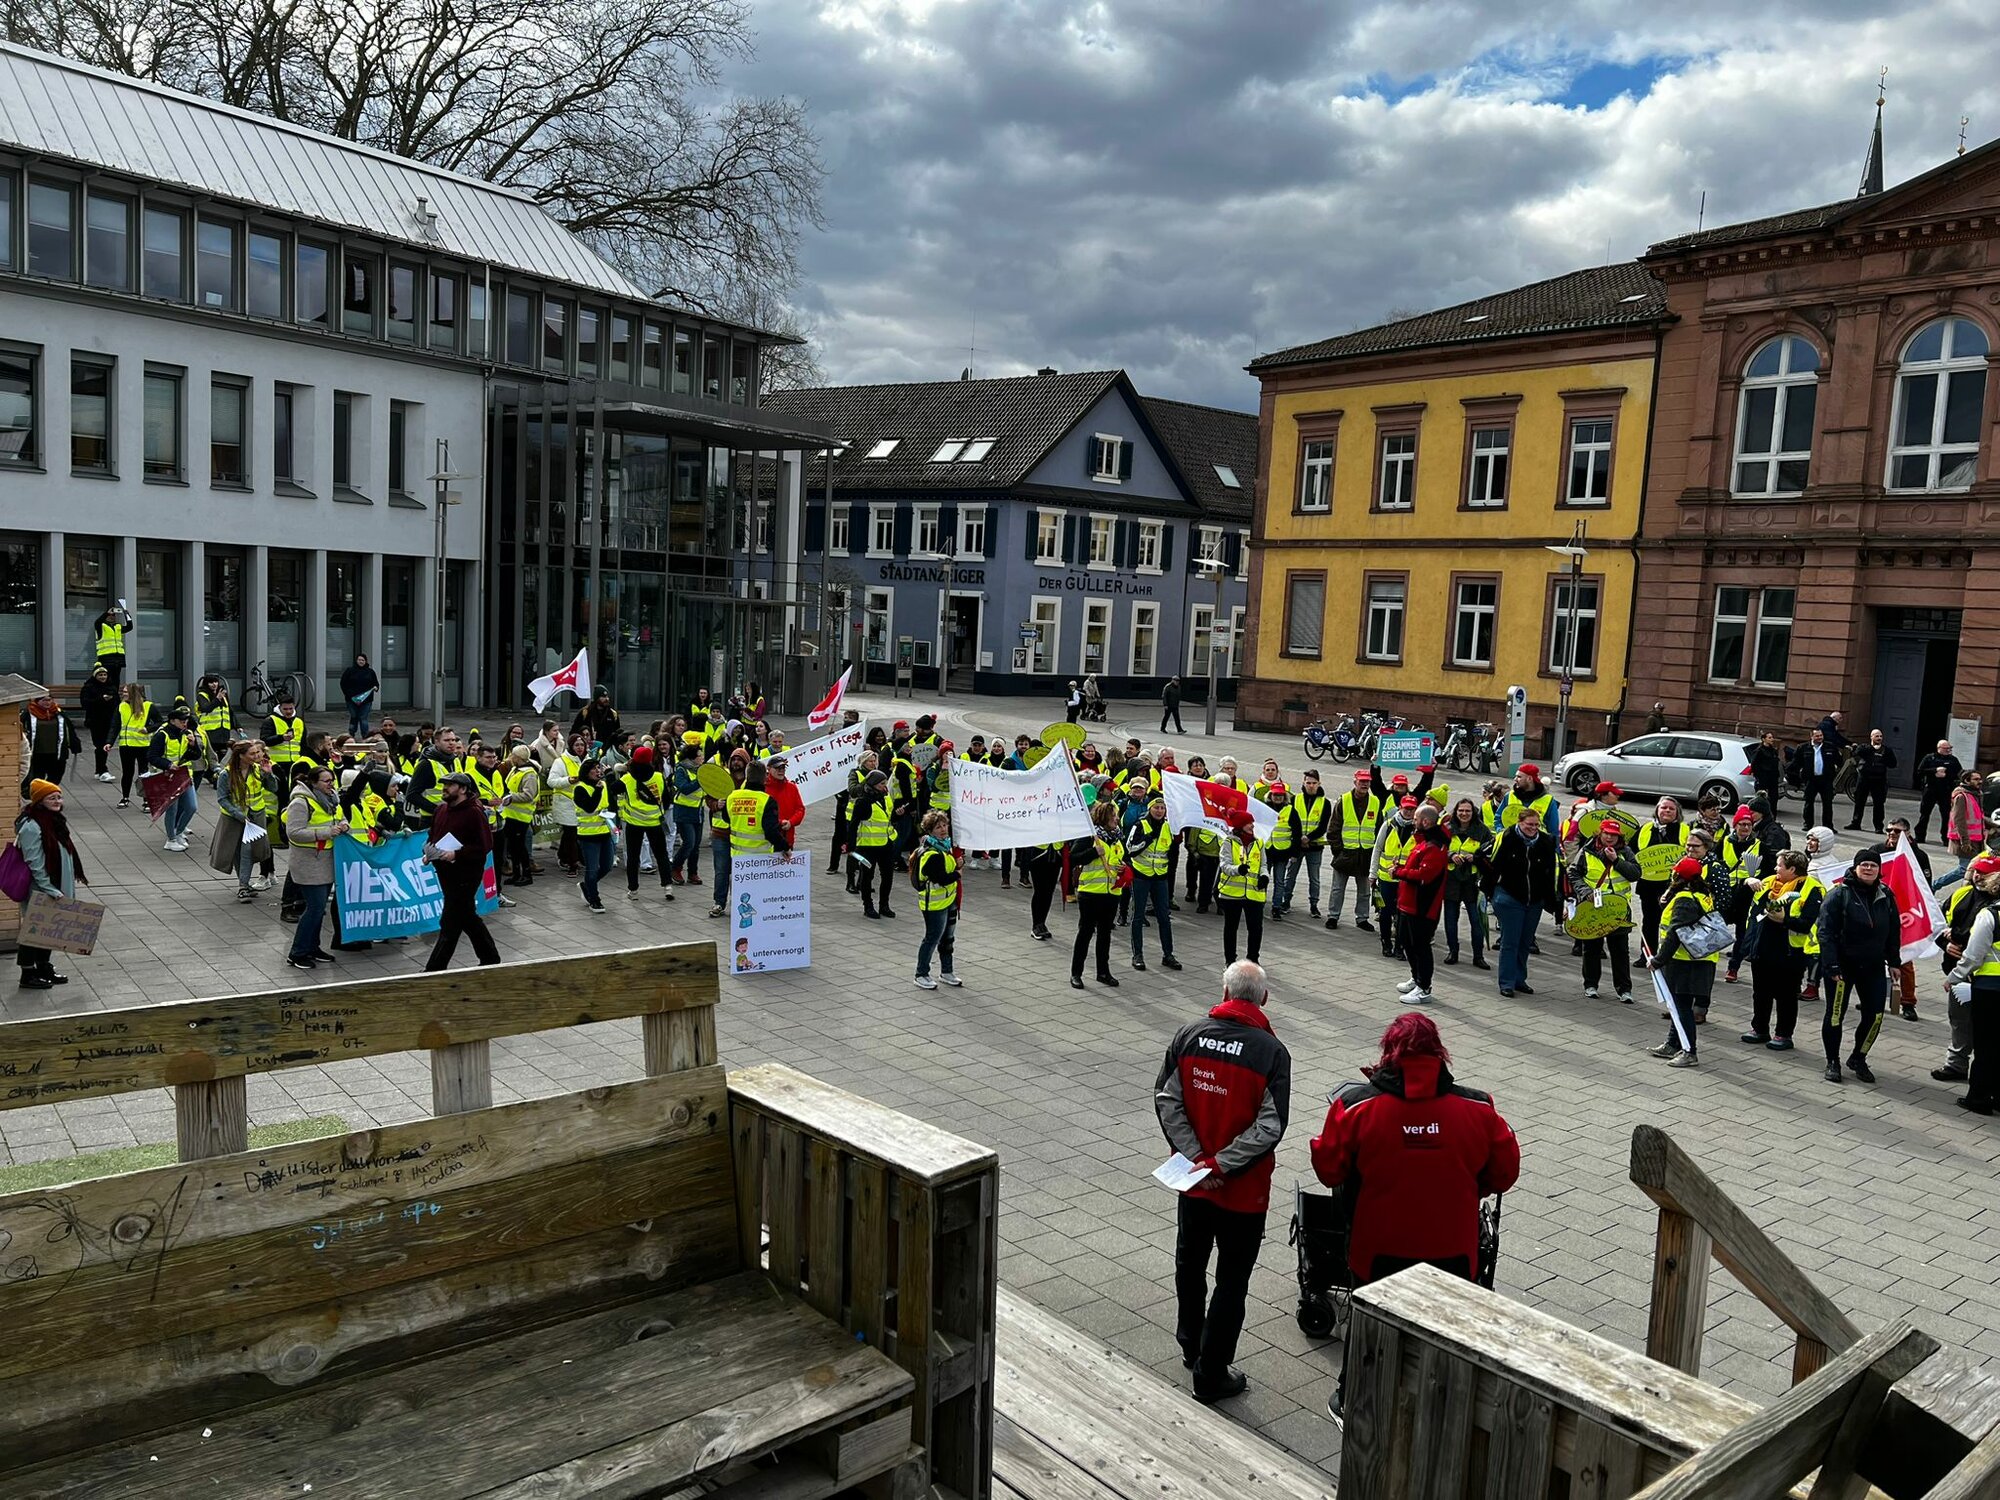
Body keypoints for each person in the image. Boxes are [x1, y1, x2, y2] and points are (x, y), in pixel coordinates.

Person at [1310, 1012, 1519, 1421]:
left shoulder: (1356, 1106)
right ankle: (1441, 1408)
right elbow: (1505, 1172)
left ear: (1388, 1052)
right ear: (1439, 1053)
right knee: (1445, 1329)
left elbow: (1329, 1169)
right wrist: (1469, 1186)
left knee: (1370, 1325)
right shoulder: (1478, 1107)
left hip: (1377, 1248)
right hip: (1453, 1249)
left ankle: (1354, 1401)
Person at [1151, 960, 1293, 1408]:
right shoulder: (1272, 1052)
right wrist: (1221, 1166)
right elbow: (1270, 1127)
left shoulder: (1188, 1035)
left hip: (1194, 1185)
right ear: (1263, 998)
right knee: (1232, 1280)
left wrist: (1198, 1161)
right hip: (1243, 1194)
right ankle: (1211, 1373)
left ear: (1225, 992)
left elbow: (1167, 1101)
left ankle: (1191, 1345)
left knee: (1189, 1264)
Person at [1816, 848, 1900, 1085]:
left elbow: (1894, 930)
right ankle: (1832, 1061)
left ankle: (1858, 1058)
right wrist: (1832, 965)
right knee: (1835, 1015)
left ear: (1879, 870)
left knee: (1875, 1016)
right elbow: (1825, 933)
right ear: (1855, 868)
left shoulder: (1886, 895)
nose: (1868, 869)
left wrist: (1895, 962)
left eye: (1873, 865)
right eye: (1864, 865)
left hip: (1873, 967)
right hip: (1841, 969)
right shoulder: (1838, 894)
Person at [1743, 850, 1822, 1050]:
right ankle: (1759, 1029)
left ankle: (1784, 1035)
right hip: (1762, 948)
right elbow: (1749, 906)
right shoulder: (1769, 882)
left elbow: (1807, 923)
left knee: (1786, 996)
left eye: (1779, 865)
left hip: (1790, 953)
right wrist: (1747, 882)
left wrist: (1784, 920)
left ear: (1792, 869)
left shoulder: (1812, 889)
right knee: (1760, 993)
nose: (1775, 868)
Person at [13, 781, 87, 990]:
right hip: (41, 887)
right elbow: (34, 862)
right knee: (34, 929)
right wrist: (49, 888)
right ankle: (27, 973)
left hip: (56, 884)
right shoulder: (32, 825)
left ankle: (44, 967)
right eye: (51, 798)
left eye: (59, 797)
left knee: (48, 928)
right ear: (40, 801)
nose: (57, 801)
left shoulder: (54, 821)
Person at [423, 772, 502, 969]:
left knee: (450, 921)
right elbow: (433, 835)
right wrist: (428, 853)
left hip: (466, 874)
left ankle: (434, 969)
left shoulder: (474, 812)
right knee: (467, 916)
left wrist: (456, 854)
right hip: (445, 872)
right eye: (444, 784)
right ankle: (490, 957)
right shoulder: (441, 810)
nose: (444, 788)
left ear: (463, 789)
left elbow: (485, 845)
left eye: (450, 785)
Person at [1645, 858, 1717, 1068]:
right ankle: (1672, 1044)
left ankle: (1689, 1051)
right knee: (1678, 1005)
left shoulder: (1685, 899)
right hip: (1698, 959)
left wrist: (1658, 960)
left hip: (1686, 962)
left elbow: (1675, 933)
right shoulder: (1701, 894)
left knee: (1682, 1007)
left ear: (1678, 876)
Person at [1485, 806, 1557, 998]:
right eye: (1528, 825)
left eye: (1536, 825)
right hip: (1509, 898)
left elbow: (1551, 873)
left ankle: (1519, 980)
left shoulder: (1546, 841)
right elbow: (1485, 860)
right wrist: (1491, 890)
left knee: (1525, 941)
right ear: (1519, 822)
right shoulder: (1507, 838)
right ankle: (1506, 982)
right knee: (1510, 942)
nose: (1533, 828)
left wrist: (1554, 903)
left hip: (1534, 901)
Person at [282, 763, 347, 970]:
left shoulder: (332, 799)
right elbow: (294, 832)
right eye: (326, 781)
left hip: (325, 861)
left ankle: (313, 947)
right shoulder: (300, 803)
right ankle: (297, 953)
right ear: (313, 783)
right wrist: (327, 832)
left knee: (318, 910)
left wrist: (344, 824)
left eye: (332, 781)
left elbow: (340, 817)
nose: (331, 785)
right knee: (315, 908)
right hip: (308, 863)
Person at [1570, 822, 1639, 1003]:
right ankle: (1591, 985)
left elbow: (1635, 874)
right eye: (1606, 833)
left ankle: (1624, 989)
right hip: (1594, 909)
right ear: (1600, 834)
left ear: (1619, 837)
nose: (1610, 837)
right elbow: (1573, 873)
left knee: (1620, 951)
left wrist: (1616, 861)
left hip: (1619, 911)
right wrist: (1585, 892)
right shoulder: (1587, 851)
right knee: (1591, 949)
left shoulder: (1626, 851)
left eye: (1614, 835)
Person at [1392, 803, 1450, 1005]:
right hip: (1408, 904)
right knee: (1406, 942)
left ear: (1425, 822)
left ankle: (1424, 987)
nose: (1413, 822)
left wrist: (1398, 872)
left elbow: (1424, 876)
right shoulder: (1424, 841)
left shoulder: (1435, 847)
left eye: (1416, 819)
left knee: (1420, 946)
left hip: (1422, 907)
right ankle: (1416, 977)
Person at [1069, 800, 1128, 988]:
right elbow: (1073, 858)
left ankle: (1103, 972)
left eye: (1116, 815)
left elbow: (1122, 859)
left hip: (1112, 893)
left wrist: (1124, 867)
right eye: (1113, 816)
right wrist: (1094, 852)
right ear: (1103, 817)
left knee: (1105, 934)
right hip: (1090, 893)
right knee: (1085, 933)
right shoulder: (1090, 836)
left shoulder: (1118, 837)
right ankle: (1076, 973)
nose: (1116, 819)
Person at [1123, 793, 1182, 972]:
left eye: (1162, 808)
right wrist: (1147, 839)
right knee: (1138, 916)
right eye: (1156, 807)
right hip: (1141, 875)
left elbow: (1172, 852)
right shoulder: (1140, 825)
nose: (1159, 811)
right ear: (1150, 809)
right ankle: (1137, 955)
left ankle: (1168, 955)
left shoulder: (1168, 827)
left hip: (1160, 878)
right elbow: (1130, 849)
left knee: (1164, 917)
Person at [216, 740, 279, 902]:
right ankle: (243, 885)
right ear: (241, 756)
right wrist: (237, 813)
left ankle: (243, 885)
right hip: (234, 818)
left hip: (256, 816)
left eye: (258, 752)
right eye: (252, 753)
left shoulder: (258, 769)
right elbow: (222, 798)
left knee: (248, 850)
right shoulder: (226, 774)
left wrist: (268, 774)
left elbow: (273, 788)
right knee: (239, 851)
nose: (257, 756)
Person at [911, 810, 963, 991]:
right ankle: (921, 974)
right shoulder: (931, 854)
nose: (943, 829)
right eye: (938, 827)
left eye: (944, 825)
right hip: (934, 904)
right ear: (930, 831)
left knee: (948, 939)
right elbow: (941, 878)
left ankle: (947, 972)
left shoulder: (945, 847)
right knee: (932, 938)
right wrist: (957, 873)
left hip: (949, 900)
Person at [1325, 768, 1380, 932]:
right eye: (1361, 781)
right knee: (1337, 889)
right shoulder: (1344, 800)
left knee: (1364, 891)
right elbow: (1333, 828)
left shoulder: (1375, 802)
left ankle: (1362, 918)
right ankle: (1333, 916)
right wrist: (1338, 851)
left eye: (1367, 782)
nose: (1364, 784)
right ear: (1355, 782)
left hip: (1365, 854)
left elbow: (1378, 829)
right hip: (1345, 853)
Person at [618, 745, 674, 901]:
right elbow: (667, 799)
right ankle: (667, 887)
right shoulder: (658, 777)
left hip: (634, 823)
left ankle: (633, 890)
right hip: (654, 823)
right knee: (661, 855)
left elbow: (613, 789)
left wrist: (612, 773)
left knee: (633, 857)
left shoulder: (627, 779)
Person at [1440, 797, 1491, 969]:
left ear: (1473, 812)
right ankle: (1452, 952)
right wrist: (1450, 855)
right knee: (1450, 920)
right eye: (1461, 810)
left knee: (1477, 921)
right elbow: (1437, 849)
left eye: (1467, 811)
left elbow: (1490, 853)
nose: (1464, 814)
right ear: (1455, 812)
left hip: (1472, 883)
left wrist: (1475, 858)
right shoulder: (1447, 829)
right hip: (1451, 881)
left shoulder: (1482, 830)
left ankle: (1478, 956)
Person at [147, 704, 205, 852]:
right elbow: (152, 756)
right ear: (172, 721)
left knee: (191, 807)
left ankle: (178, 832)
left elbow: (196, 756)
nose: (185, 723)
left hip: (184, 776)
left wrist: (193, 745)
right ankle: (171, 839)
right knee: (172, 809)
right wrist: (168, 765)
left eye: (186, 721)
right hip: (168, 777)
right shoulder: (162, 735)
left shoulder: (187, 733)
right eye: (181, 721)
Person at [1631, 796, 1688, 947]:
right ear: (1657, 810)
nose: (1667, 810)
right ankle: (1647, 955)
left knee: (1672, 922)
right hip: (1648, 885)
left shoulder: (1685, 830)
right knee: (1649, 921)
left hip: (1674, 886)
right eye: (1664, 807)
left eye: (1671, 808)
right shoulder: (1645, 829)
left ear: (1677, 812)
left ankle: (1668, 955)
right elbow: (1632, 852)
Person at [1215, 812, 1268, 967]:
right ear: (1240, 825)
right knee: (1231, 929)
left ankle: (1253, 959)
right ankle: (1230, 961)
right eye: (1248, 823)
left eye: (1252, 823)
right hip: (1232, 894)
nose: (1252, 826)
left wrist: (1265, 876)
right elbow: (1224, 865)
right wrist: (1238, 869)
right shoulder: (1228, 842)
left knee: (1256, 929)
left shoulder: (1258, 843)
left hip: (1254, 893)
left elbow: (1263, 865)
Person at [571, 759, 616, 913]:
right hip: (588, 836)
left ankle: (587, 886)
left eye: (599, 768)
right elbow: (589, 807)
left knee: (607, 866)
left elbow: (610, 803)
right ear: (586, 772)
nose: (598, 771)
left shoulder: (602, 785)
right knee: (592, 869)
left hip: (604, 832)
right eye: (594, 769)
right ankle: (594, 900)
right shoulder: (580, 788)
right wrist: (597, 791)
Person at [18, 690, 80, 795]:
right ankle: (38, 795)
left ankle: (47, 793)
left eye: (49, 700)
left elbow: (69, 729)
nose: (47, 702)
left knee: (56, 776)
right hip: (37, 753)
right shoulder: (28, 714)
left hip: (56, 753)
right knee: (36, 778)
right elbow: (19, 728)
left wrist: (75, 744)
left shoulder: (59, 713)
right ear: (37, 701)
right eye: (44, 700)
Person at [498, 744, 542, 888]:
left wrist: (511, 797)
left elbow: (529, 795)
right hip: (510, 814)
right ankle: (517, 874)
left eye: (513, 755)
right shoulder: (515, 769)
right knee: (514, 847)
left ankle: (526, 875)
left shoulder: (529, 774)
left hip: (521, 816)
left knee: (520, 847)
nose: (510, 757)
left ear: (518, 758)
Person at [1847, 728, 1896, 835]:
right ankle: (1856, 823)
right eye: (1877, 736)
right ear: (1871, 737)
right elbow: (1856, 752)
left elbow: (1893, 764)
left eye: (1881, 736)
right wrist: (1870, 749)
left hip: (1879, 779)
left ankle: (1878, 826)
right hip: (1864, 778)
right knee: (1859, 801)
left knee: (1879, 803)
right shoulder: (1865, 748)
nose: (1879, 738)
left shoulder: (1887, 750)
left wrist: (1884, 759)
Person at [1915, 740, 1964, 844]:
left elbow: (1960, 774)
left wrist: (1948, 776)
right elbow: (1920, 771)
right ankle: (1920, 836)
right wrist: (1934, 771)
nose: (1948, 750)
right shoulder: (1930, 758)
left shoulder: (1953, 760)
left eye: (1950, 748)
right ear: (1939, 748)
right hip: (1930, 789)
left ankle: (1946, 838)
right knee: (1924, 814)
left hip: (1946, 790)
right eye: (1946, 748)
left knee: (1946, 815)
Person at [261, 690, 307, 795]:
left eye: (291, 708)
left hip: (295, 763)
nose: (288, 711)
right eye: (285, 709)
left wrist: (303, 760)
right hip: (276, 763)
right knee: (280, 792)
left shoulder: (299, 722)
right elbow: (264, 741)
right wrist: (281, 738)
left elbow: (303, 744)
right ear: (279, 707)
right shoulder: (270, 720)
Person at [114, 683, 152, 808]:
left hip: (143, 745)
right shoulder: (121, 706)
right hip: (126, 745)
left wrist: (148, 729)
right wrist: (109, 742)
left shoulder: (148, 706)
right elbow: (115, 725)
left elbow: (159, 722)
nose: (123, 694)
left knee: (144, 773)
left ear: (133, 694)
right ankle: (125, 797)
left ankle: (146, 800)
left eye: (126, 692)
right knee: (127, 773)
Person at [78, 663, 116, 782]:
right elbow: (85, 703)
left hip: (109, 721)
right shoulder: (89, 687)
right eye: (100, 675)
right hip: (95, 721)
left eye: (104, 674)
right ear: (95, 676)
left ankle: (99, 770)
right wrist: (101, 699)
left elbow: (117, 704)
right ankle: (103, 770)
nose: (103, 677)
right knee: (100, 745)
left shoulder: (111, 687)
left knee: (105, 745)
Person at [1795, 728, 1838, 831]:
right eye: (1817, 736)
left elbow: (1838, 760)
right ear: (1811, 737)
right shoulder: (1803, 748)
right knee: (1809, 803)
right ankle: (1808, 824)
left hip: (1826, 780)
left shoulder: (1830, 747)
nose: (1820, 738)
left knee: (1827, 803)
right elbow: (1796, 763)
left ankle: (1828, 826)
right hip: (1811, 780)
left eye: (1821, 735)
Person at [91, 602, 131, 689]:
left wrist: (126, 615)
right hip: (106, 657)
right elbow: (97, 622)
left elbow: (129, 627)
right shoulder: (101, 626)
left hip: (118, 657)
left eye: (114, 615)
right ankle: (106, 695)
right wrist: (107, 613)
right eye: (110, 615)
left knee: (116, 680)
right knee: (107, 679)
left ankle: (115, 695)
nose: (112, 617)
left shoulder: (118, 626)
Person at [339, 652, 379, 738]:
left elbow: (375, 683)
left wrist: (376, 688)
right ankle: (351, 734)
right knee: (354, 716)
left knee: (363, 717)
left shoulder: (370, 672)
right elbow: (343, 683)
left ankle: (365, 736)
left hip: (366, 700)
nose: (361, 662)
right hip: (351, 699)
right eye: (359, 660)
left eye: (363, 660)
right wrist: (348, 694)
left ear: (366, 661)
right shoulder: (350, 671)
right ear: (356, 661)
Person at [1750, 730, 1785, 810]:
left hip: (1773, 778)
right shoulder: (1759, 751)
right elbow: (1754, 764)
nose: (1772, 739)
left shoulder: (1773, 751)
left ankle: (1772, 814)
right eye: (1769, 738)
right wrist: (1758, 776)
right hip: (1763, 777)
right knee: (1761, 797)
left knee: (1774, 798)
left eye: (1772, 737)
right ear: (1764, 739)